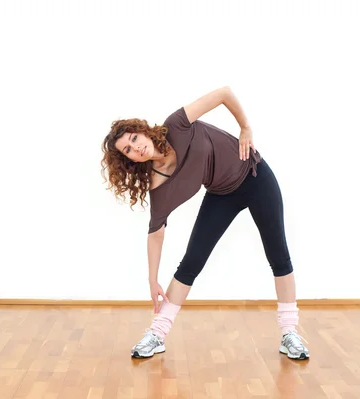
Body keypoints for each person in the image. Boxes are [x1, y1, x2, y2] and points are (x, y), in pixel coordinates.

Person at [100, 86, 309, 361]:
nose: (136, 147)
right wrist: (152, 280)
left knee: (278, 254)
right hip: (222, 194)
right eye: (128, 149)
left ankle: (289, 333)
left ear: (144, 131)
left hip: (255, 175)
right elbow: (156, 233)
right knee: (191, 263)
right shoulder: (158, 184)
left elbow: (223, 93)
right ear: (129, 159)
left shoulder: (177, 124)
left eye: (134, 138)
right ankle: (157, 333)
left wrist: (245, 128)